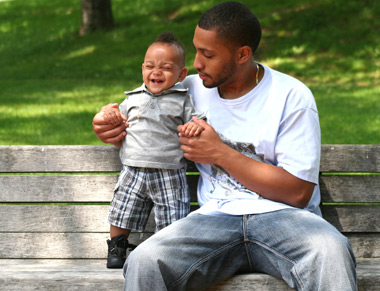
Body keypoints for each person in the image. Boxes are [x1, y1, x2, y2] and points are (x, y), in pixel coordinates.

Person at [93, 1, 357, 290]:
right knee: (145, 260)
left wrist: (220, 153)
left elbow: (297, 193)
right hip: (213, 220)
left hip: (285, 219)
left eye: (208, 54)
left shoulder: (291, 96)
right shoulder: (188, 90)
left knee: (330, 250)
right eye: (196, 50)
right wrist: (107, 122)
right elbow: (139, 108)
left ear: (242, 54)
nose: (196, 63)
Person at [100, 31, 204, 269]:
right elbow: (116, 119)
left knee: (172, 215)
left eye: (165, 68)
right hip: (133, 168)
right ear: (143, 69)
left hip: (169, 172)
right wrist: (109, 113)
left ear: (181, 74)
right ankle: (117, 246)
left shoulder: (182, 100)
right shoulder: (133, 97)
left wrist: (193, 126)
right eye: (150, 66)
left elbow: (196, 120)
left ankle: (165, 250)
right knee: (122, 209)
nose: (156, 72)